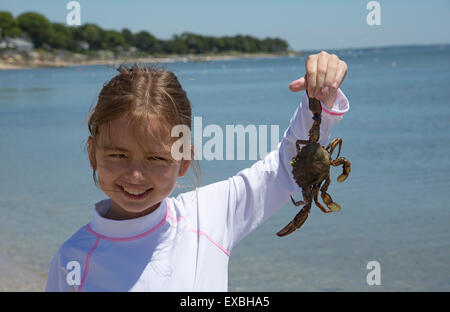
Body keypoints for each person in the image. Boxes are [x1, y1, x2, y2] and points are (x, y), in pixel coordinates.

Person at [45, 51, 349, 291]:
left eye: (156, 158)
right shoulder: (72, 261)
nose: (135, 175)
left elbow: (286, 167)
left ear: (184, 161)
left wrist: (318, 101)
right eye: (118, 155)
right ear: (92, 155)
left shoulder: (209, 217)